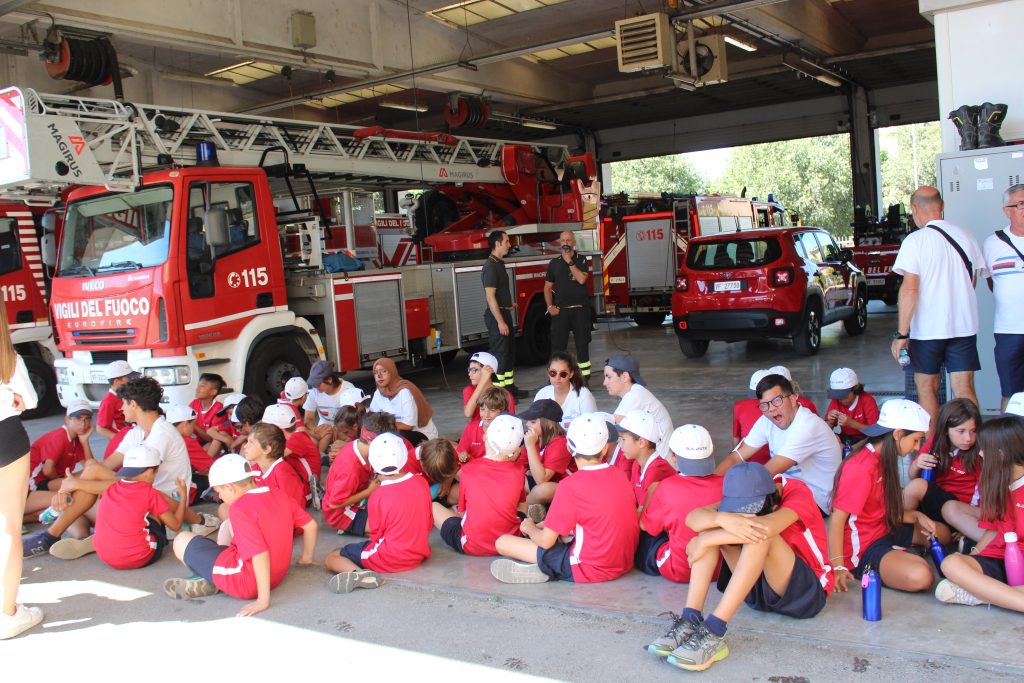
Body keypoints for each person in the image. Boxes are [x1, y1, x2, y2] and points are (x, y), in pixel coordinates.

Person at [653, 462, 833, 671]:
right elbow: (693, 518)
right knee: (710, 528)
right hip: (758, 590)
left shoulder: (797, 493)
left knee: (760, 536)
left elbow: (766, 527)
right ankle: (690, 618)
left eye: (750, 512)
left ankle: (714, 631)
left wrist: (706, 540)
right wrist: (719, 519)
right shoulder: (745, 490)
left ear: (773, 502)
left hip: (806, 595)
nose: (743, 517)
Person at [22, 376, 216, 558]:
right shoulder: (137, 432)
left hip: (159, 506)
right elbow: (105, 467)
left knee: (84, 491)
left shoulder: (162, 433)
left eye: (123, 403)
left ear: (133, 404)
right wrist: (73, 484)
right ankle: (83, 536)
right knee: (89, 471)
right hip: (136, 497)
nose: (121, 409)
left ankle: (56, 536)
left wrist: (75, 484)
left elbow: (132, 485)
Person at [490, 415, 639, 584]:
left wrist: (530, 528)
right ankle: (548, 566)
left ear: (569, 447)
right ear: (605, 448)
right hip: (624, 563)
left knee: (503, 542)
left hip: (588, 567)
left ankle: (549, 567)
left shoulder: (569, 486)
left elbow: (546, 542)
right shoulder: (619, 475)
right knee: (560, 535)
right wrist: (546, 525)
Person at [164, 454, 317, 616]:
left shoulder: (240, 508)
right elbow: (311, 525)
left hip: (247, 582)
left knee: (181, 541)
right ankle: (216, 575)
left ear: (230, 487)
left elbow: (259, 554)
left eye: (219, 492)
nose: (220, 497)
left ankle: (213, 579)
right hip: (277, 573)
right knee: (226, 524)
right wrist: (306, 558)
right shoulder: (277, 493)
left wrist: (263, 600)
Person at [891, 186, 986, 427]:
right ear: (941, 206)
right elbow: (971, 280)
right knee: (964, 388)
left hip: (928, 331)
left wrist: (901, 334)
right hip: (964, 326)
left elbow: (910, 289)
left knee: (927, 387)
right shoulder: (966, 235)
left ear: (914, 209)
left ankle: (933, 447)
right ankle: (972, 448)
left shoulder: (915, 241)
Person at [829, 399, 936, 594]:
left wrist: (917, 516)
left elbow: (879, 509)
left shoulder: (885, 456)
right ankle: (895, 557)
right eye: (916, 440)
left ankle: (900, 553)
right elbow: (837, 519)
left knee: (940, 534)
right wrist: (837, 565)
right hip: (863, 548)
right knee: (921, 575)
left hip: (885, 527)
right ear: (897, 434)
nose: (916, 447)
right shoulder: (860, 468)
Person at [324, 433, 432, 593]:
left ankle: (360, 574)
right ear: (404, 458)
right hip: (420, 552)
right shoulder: (420, 482)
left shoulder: (378, 495)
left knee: (332, 557)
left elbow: (376, 536)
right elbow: (428, 523)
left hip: (390, 558)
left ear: (373, 464)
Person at [716, 374, 840, 513]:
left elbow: (765, 473)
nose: (771, 409)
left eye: (777, 400)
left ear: (792, 399)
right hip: (787, 488)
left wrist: (721, 496)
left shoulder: (807, 427)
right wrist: (712, 483)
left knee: (742, 512)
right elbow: (736, 456)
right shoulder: (766, 420)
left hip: (817, 499)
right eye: (764, 405)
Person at [935, 416, 1024, 609]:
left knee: (948, 588)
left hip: (1021, 561)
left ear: (1001, 453)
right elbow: (993, 529)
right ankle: (1003, 596)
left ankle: (987, 594)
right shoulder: (998, 481)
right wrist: (974, 556)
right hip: (1001, 557)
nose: (981, 454)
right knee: (951, 564)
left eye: (985, 449)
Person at [50, 444, 188, 568]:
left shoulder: (110, 488)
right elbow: (175, 525)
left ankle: (108, 542)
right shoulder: (150, 493)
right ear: (149, 471)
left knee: (132, 514)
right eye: (156, 471)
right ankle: (138, 542)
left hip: (105, 557)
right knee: (154, 516)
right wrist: (183, 497)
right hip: (140, 557)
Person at [0, 302, 43, 639]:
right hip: (5, 436)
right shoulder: (8, 356)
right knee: (9, 529)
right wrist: (14, 398)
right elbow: (29, 400)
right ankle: (7, 613)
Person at [637, 425, 723, 584]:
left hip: (680, 570)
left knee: (646, 540)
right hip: (720, 570)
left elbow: (645, 526)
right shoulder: (725, 483)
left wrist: (650, 494)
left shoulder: (667, 487)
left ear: (673, 457)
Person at [434, 414, 526, 557]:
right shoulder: (519, 471)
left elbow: (462, 512)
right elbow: (519, 504)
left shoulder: (469, 469)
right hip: (510, 540)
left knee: (433, 506)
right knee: (522, 503)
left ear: (485, 437)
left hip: (472, 545)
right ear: (516, 450)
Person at [903, 398, 984, 543]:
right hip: (936, 506)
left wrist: (966, 524)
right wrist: (916, 465)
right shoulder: (936, 442)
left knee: (940, 527)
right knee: (916, 487)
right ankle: (899, 527)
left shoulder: (980, 452)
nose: (968, 438)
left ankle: (969, 538)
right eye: (961, 431)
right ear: (946, 430)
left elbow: (988, 495)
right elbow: (912, 477)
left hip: (962, 511)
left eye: (973, 431)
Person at [983, 183, 1024, 411]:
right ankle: (1010, 445)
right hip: (1009, 331)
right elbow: (992, 283)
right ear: (1006, 210)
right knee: (1011, 392)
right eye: (1020, 204)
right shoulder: (992, 244)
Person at [322, 412, 395, 534]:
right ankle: (350, 529)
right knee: (391, 528)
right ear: (375, 443)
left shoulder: (358, 446)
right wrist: (369, 491)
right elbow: (334, 504)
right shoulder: (350, 469)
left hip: (358, 499)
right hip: (343, 514)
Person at [603, 354, 673, 461]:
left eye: (608, 377)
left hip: (660, 464)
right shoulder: (636, 393)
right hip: (658, 459)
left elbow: (610, 428)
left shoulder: (636, 395)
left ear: (625, 377)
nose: (604, 383)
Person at [545, 230, 592, 381]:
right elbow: (547, 287)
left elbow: (582, 280)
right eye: (563, 240)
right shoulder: (554, 263)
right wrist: (549, 306)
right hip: (561, 312)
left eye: (568, 240)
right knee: (558, 348)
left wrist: (569, 262)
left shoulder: (582, 260)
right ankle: (555, 376)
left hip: (580, 310)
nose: (565, 243)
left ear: (574, 242)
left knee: (582, 345)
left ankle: (584, 379)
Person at [482, 229, 523, 397]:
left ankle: (510, 390)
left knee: (509, 353)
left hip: (504, 313)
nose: (509, 245)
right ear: (497, 244)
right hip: (496, 317)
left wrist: (508, 304)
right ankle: (500, 395)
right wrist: (500, 321)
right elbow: (490, 297)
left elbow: (498, 294)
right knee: (500, 356)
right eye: (506, 242)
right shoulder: (490, 266)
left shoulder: (499, 263)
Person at [28, 399, 95, 491]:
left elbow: (91, 466)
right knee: (84, 484)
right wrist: (64, 485)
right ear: (67, 420)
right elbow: (48, 470)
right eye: (78, 418)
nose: (83, 424)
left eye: (87, 419)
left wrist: (85, 441)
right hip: (35, 483)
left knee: (92, 474)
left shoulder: (76, 438)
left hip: (49, 480)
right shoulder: (60, 436)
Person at [616, 410, 676, 512]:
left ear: (641, 442)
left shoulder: (656, 470)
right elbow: (631, 498)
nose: (620, 445)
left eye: (623, 439)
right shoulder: (637, 464)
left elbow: (643, 513)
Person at [241, 421, 305, 511]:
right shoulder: (256, 469)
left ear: (266, 449)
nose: (245, 446)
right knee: (226, 508)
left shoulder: (283, 473)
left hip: (283, 520)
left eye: (251, 443)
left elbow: (294, 509)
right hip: (267, 513)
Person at [369, 357, 437, 442]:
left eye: (384, 371)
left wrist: (383, 426)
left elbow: (408, 426)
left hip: (420, 434)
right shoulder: (379, 393)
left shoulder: (404, 392)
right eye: (376, 373)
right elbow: (372, 416)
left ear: (392, 372)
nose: (379, 375)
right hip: (392, 431)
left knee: (394, 436)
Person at [519, 399, 571, 510]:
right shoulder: (536, 438)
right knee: (513, 477)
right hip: (543, 483)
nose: (527, 425)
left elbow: (541, 480)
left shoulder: (560, 443)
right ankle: (537, 508)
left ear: (550, 424)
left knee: (542, 490)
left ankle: (520, 510)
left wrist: (530, 446)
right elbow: (520, 466)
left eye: (533, 422)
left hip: (564, 488)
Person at [533, 352, 597, 428]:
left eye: (563, 374)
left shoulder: (584, 395)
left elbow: (592, 428)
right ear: (548, 372)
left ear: (571, 374)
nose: (557, 377)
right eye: (553, 373)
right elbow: (534, 425)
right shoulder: (542, 394)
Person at [303, 360, 355, 452]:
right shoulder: (314, 391)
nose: (315, 387)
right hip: (324, 431)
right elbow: (308, 419)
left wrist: (336, 430)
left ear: (329, 380)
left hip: (344, 432)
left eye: (318, 383)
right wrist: (318, 430)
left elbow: (354, 421)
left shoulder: (348, 390)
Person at [823, 367, 879, 445]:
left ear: (856, 389)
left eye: (844, 396)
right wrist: (830, 421)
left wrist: (851, 423)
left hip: (866, 439)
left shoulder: (867, 401)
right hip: (846, 438)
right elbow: (825, 432)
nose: (840, 400)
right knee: (830, 441)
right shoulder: (836, 401)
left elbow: (874, 431)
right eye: (837, 396)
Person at [457, 386, 509, 462]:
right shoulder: (471, 428)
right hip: (475, 469)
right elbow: (461, 451)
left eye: (492, 410)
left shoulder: (508, 431)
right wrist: (463, 456)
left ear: (502, 411)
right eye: (482, 409)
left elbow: (510, 457)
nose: (486, 415)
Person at [732, 369, 771, 464]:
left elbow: (736, 437)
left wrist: (736, 458)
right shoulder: (779, 407)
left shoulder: (740, 406)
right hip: (775, 461)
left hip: (747, 461)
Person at [462, 351, 514, 422]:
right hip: (475, 431)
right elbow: (468, 413)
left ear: (488, 371)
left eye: (474, 370)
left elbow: (510, 421)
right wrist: (482, 381)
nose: (469, 374)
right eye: (469, 370)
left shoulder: (504, 394)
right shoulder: (469, 390)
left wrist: (485, 378)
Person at [95, 360, 138, 440]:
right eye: (128, 378)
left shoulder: (126, 395)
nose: (131, 380)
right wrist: (120, 440)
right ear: (116, 381)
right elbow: (100, 429)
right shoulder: (108, 401)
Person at [189, 373, 227, 457]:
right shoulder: (194, 403)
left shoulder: (219, 409)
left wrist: (194, 425)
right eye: (198, 386)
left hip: (209, 444)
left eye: (202, 386)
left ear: (213, 392)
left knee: (214, 442)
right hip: (195, 442)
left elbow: (211, 438)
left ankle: (205, 465)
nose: (197, 389)